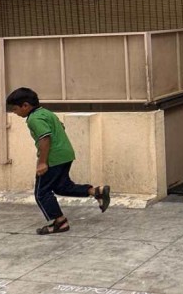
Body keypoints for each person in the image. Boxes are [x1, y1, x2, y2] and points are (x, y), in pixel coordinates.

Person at [6, 86, 111, 234]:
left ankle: (59, 222)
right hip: (65, 154)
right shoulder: (46, 113)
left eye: (15, 109)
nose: (14, 112)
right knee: (62, 186)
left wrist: (42, 162)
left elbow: (45, 139)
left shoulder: (34, 119)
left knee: (41, 193)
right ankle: (96, 192)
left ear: (25, 106)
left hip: (53, 158)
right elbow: (61, 126)